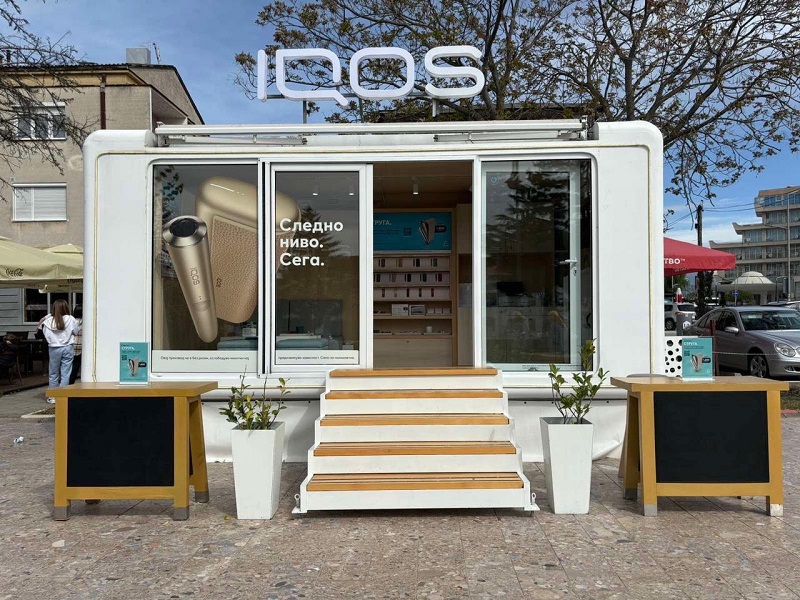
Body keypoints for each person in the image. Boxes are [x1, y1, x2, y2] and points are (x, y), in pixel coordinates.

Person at [38, 300, 81, 403]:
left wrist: (48, 315)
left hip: (53, 348)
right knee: (66, 373)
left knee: (53, 373)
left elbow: (42, 332)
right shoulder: (71, 319)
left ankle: (53, 396)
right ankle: (63, 395)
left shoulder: (48, 321)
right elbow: (76, 332)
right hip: (67, 347)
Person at [69, 306, 82, 385]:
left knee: (70, 367)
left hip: (71, 345)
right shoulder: (85, 322)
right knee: (76, 366)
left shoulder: (71, 321)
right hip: (81, 346)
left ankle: (69, 382)